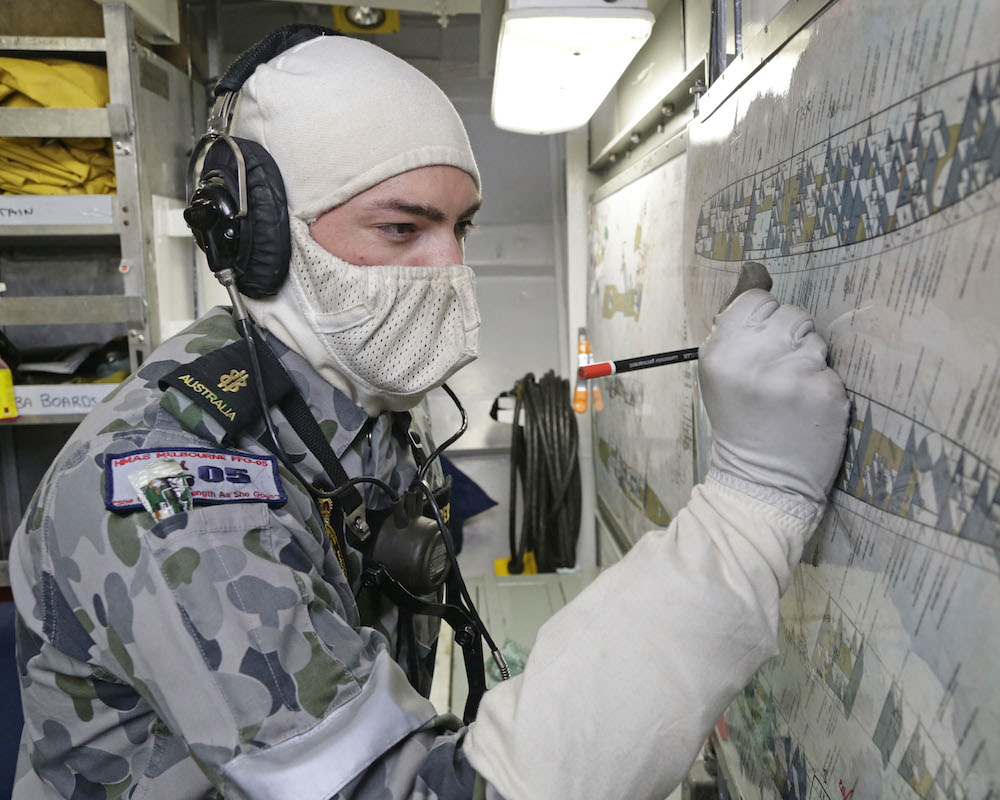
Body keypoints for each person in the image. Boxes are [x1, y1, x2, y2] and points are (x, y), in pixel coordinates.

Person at [9, 29, 850, 800]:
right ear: (258, 241)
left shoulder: (343, 399)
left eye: (461, 229)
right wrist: (750, 508)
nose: (449, 269)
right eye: (402, 228)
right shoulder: (177, 499)